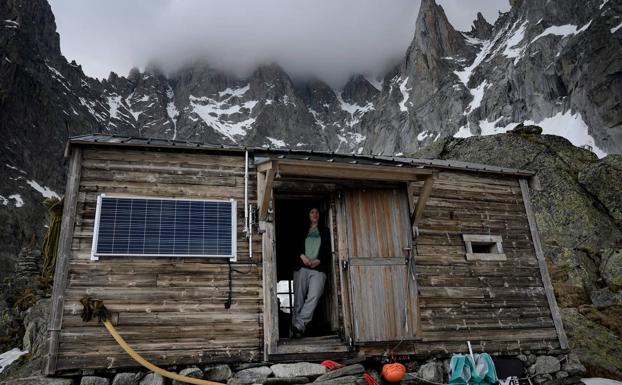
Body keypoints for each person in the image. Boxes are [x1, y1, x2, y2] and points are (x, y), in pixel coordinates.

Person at [290, 207, 331, 338]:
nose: (315, 214)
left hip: (318, 269)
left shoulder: (325, 231)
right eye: (312, 212)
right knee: (299, 300)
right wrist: (303, 257)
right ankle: (294, 332)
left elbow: (328, 250)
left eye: (317, 212)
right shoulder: (301, 230)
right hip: (302, 268)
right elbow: (294, 245)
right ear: (308, 215)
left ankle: (298, 325)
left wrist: (318, 260)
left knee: (313, 297)